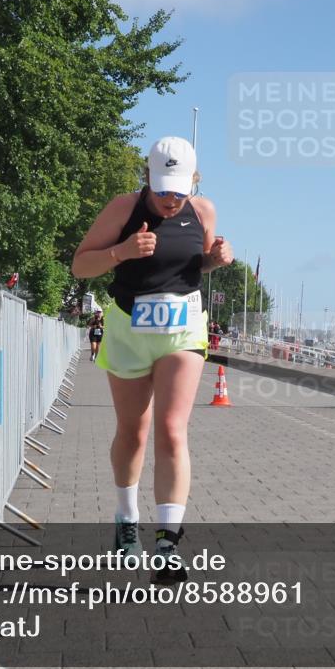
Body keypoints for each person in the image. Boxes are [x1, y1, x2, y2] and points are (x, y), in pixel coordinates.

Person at [71, 136, 233, 584]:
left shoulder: (203, 211)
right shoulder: (122, 209)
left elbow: (191, 265)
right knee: (134, 431)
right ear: (147, 178)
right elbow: (80, 266)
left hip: (183, 329)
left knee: (171, 429)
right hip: (128, 329)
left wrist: (215, 261)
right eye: (162, 189)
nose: (169, 199)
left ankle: (167, 542)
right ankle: (126, 520)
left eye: (178, 191)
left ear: (193, 183)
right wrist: (119, 253)